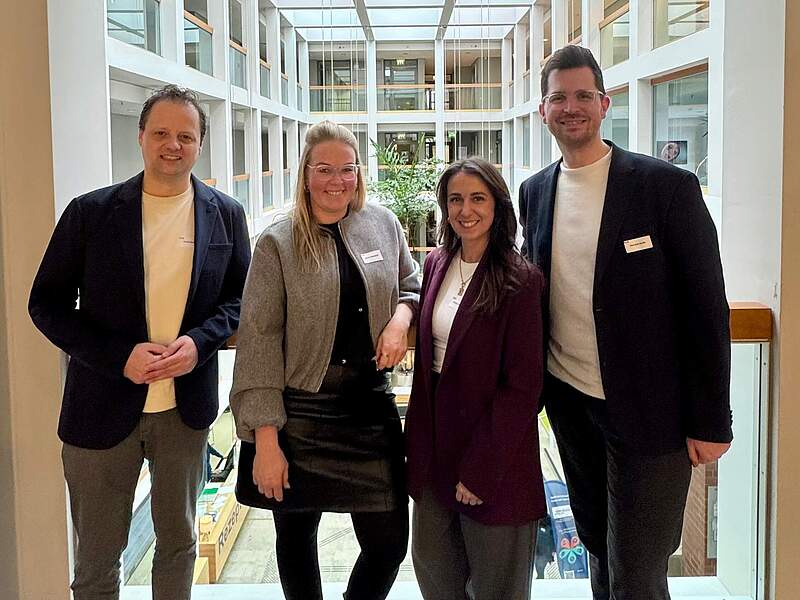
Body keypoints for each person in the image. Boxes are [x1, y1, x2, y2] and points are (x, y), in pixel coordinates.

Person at [518, 45, 732, 600]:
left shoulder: (664, 187)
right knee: (595, 547)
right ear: (543, 110)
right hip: (571, 405)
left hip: (652, 412)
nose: (571, 108)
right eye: (559, 98)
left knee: (637, 574)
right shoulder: (535, 191)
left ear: (604, 103)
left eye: (583, 96)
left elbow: (707, 306)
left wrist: (712, 421)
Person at [28, 85, 251, 600]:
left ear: (200, 144)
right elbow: (46, 304)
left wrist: (199, 344)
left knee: (179, 546)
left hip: (185, 411)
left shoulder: (226, 214)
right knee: (97, 559)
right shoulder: (90, 213)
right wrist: (118, 358)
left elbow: (240, 299)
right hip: (100, 408)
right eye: (161, 133)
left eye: (186, 136)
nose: (173, 145)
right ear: (141, 137)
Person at [230, 120, 419, 600]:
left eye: (347, 169)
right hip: (298, 416)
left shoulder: (383, 223)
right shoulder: (277, 242)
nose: (337, 180)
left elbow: (413, 285)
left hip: (369, 407)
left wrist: (400, 320)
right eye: (324, 169)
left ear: (359, 172)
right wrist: (265, 440)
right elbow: (259, 341)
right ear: (306, 174)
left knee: (389, 545)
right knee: (296, 544)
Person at [406, 158, 546, 600]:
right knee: (435, 577)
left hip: (494, 459)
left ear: (498, 205)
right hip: (434, 456)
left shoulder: (521, 280)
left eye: (477, 198)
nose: (465, 210)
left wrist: (481, 469)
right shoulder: (436, 262)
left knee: (497, 588)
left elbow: (523, 388)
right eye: (455, 199)